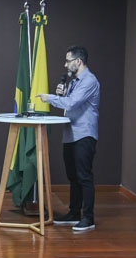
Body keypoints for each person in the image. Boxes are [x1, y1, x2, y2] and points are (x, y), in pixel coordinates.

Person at [36, 45, 101, 233]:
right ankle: (74, 213)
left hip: (84, 135)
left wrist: (50, 98)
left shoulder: (89, 81)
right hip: (71, 135)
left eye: (68, 61)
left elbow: (71, 103)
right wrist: (62, 94)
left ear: (78, 61)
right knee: (73, 176)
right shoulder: (74, 82)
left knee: (84, 176)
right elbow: (70, 101)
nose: (65, 65)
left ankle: (88, 218)